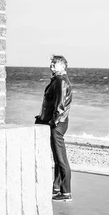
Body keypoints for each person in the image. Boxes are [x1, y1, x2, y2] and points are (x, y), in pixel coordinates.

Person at [35, 55, 73, 202]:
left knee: (61, 159)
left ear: (62, 67)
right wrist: (42, 118)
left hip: (58, 124)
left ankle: (66, 192)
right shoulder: (57, 81)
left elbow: (60, 106)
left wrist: (52, 122)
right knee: (58, 158)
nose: (51, 65)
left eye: (55, 64)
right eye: (51, 63)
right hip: (57, 123)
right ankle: (57, 188)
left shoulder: (61, 81)